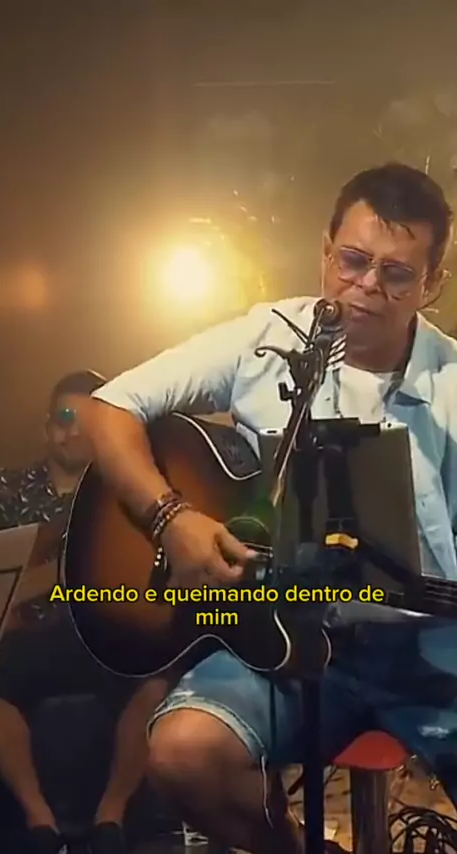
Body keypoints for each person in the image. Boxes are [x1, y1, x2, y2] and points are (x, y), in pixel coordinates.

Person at [79, 162, 457, 854]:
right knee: (183, 754)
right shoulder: (267, 337)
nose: (366, 286)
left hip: (430, 650)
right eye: (353, 261)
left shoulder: (452, 388)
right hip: (282, 636)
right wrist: (171, 517)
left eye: (397, 274)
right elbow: (109, 409)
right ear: (325, 251)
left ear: (431, 284)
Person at [0, 371, 172, 854]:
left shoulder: (128, 493)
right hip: (23, 634)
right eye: (65, 418)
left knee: (159, 682)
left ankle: (111, 816)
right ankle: (40, 822)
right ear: (47, 426)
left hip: (102, 632)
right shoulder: (0, 492)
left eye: (88, 422)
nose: (73, 431)